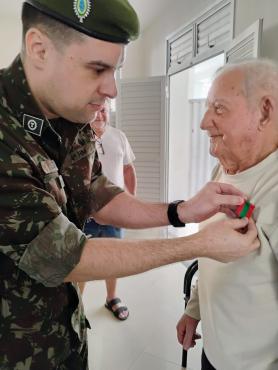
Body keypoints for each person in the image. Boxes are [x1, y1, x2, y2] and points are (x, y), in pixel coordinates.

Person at [0, 1, 260, 368]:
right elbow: (67, 258)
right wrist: (198, 244)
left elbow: (97, 194)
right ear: (39, 49)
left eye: (116, 70)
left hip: (66, 337)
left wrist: (179, 211)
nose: (112, 90)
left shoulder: (70, 113)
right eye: (97, 69)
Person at [176, 59, 278, 370]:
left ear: (264, 112)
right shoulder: (222, 169)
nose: (204, 122)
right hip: (215, 352)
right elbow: (212, 258)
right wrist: (194, 309)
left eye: (218, 109)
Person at [83, 103, 137, 320]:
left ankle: (111, 298)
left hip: (116, 211)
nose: (100, 113)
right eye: (96, 109)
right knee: (83, 259)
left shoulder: (119, 136)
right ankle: (77, 304)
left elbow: (128, 170)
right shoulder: (77, 137)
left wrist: (131, 201)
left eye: (104, 109)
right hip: (86, 213)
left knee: (114, 257)